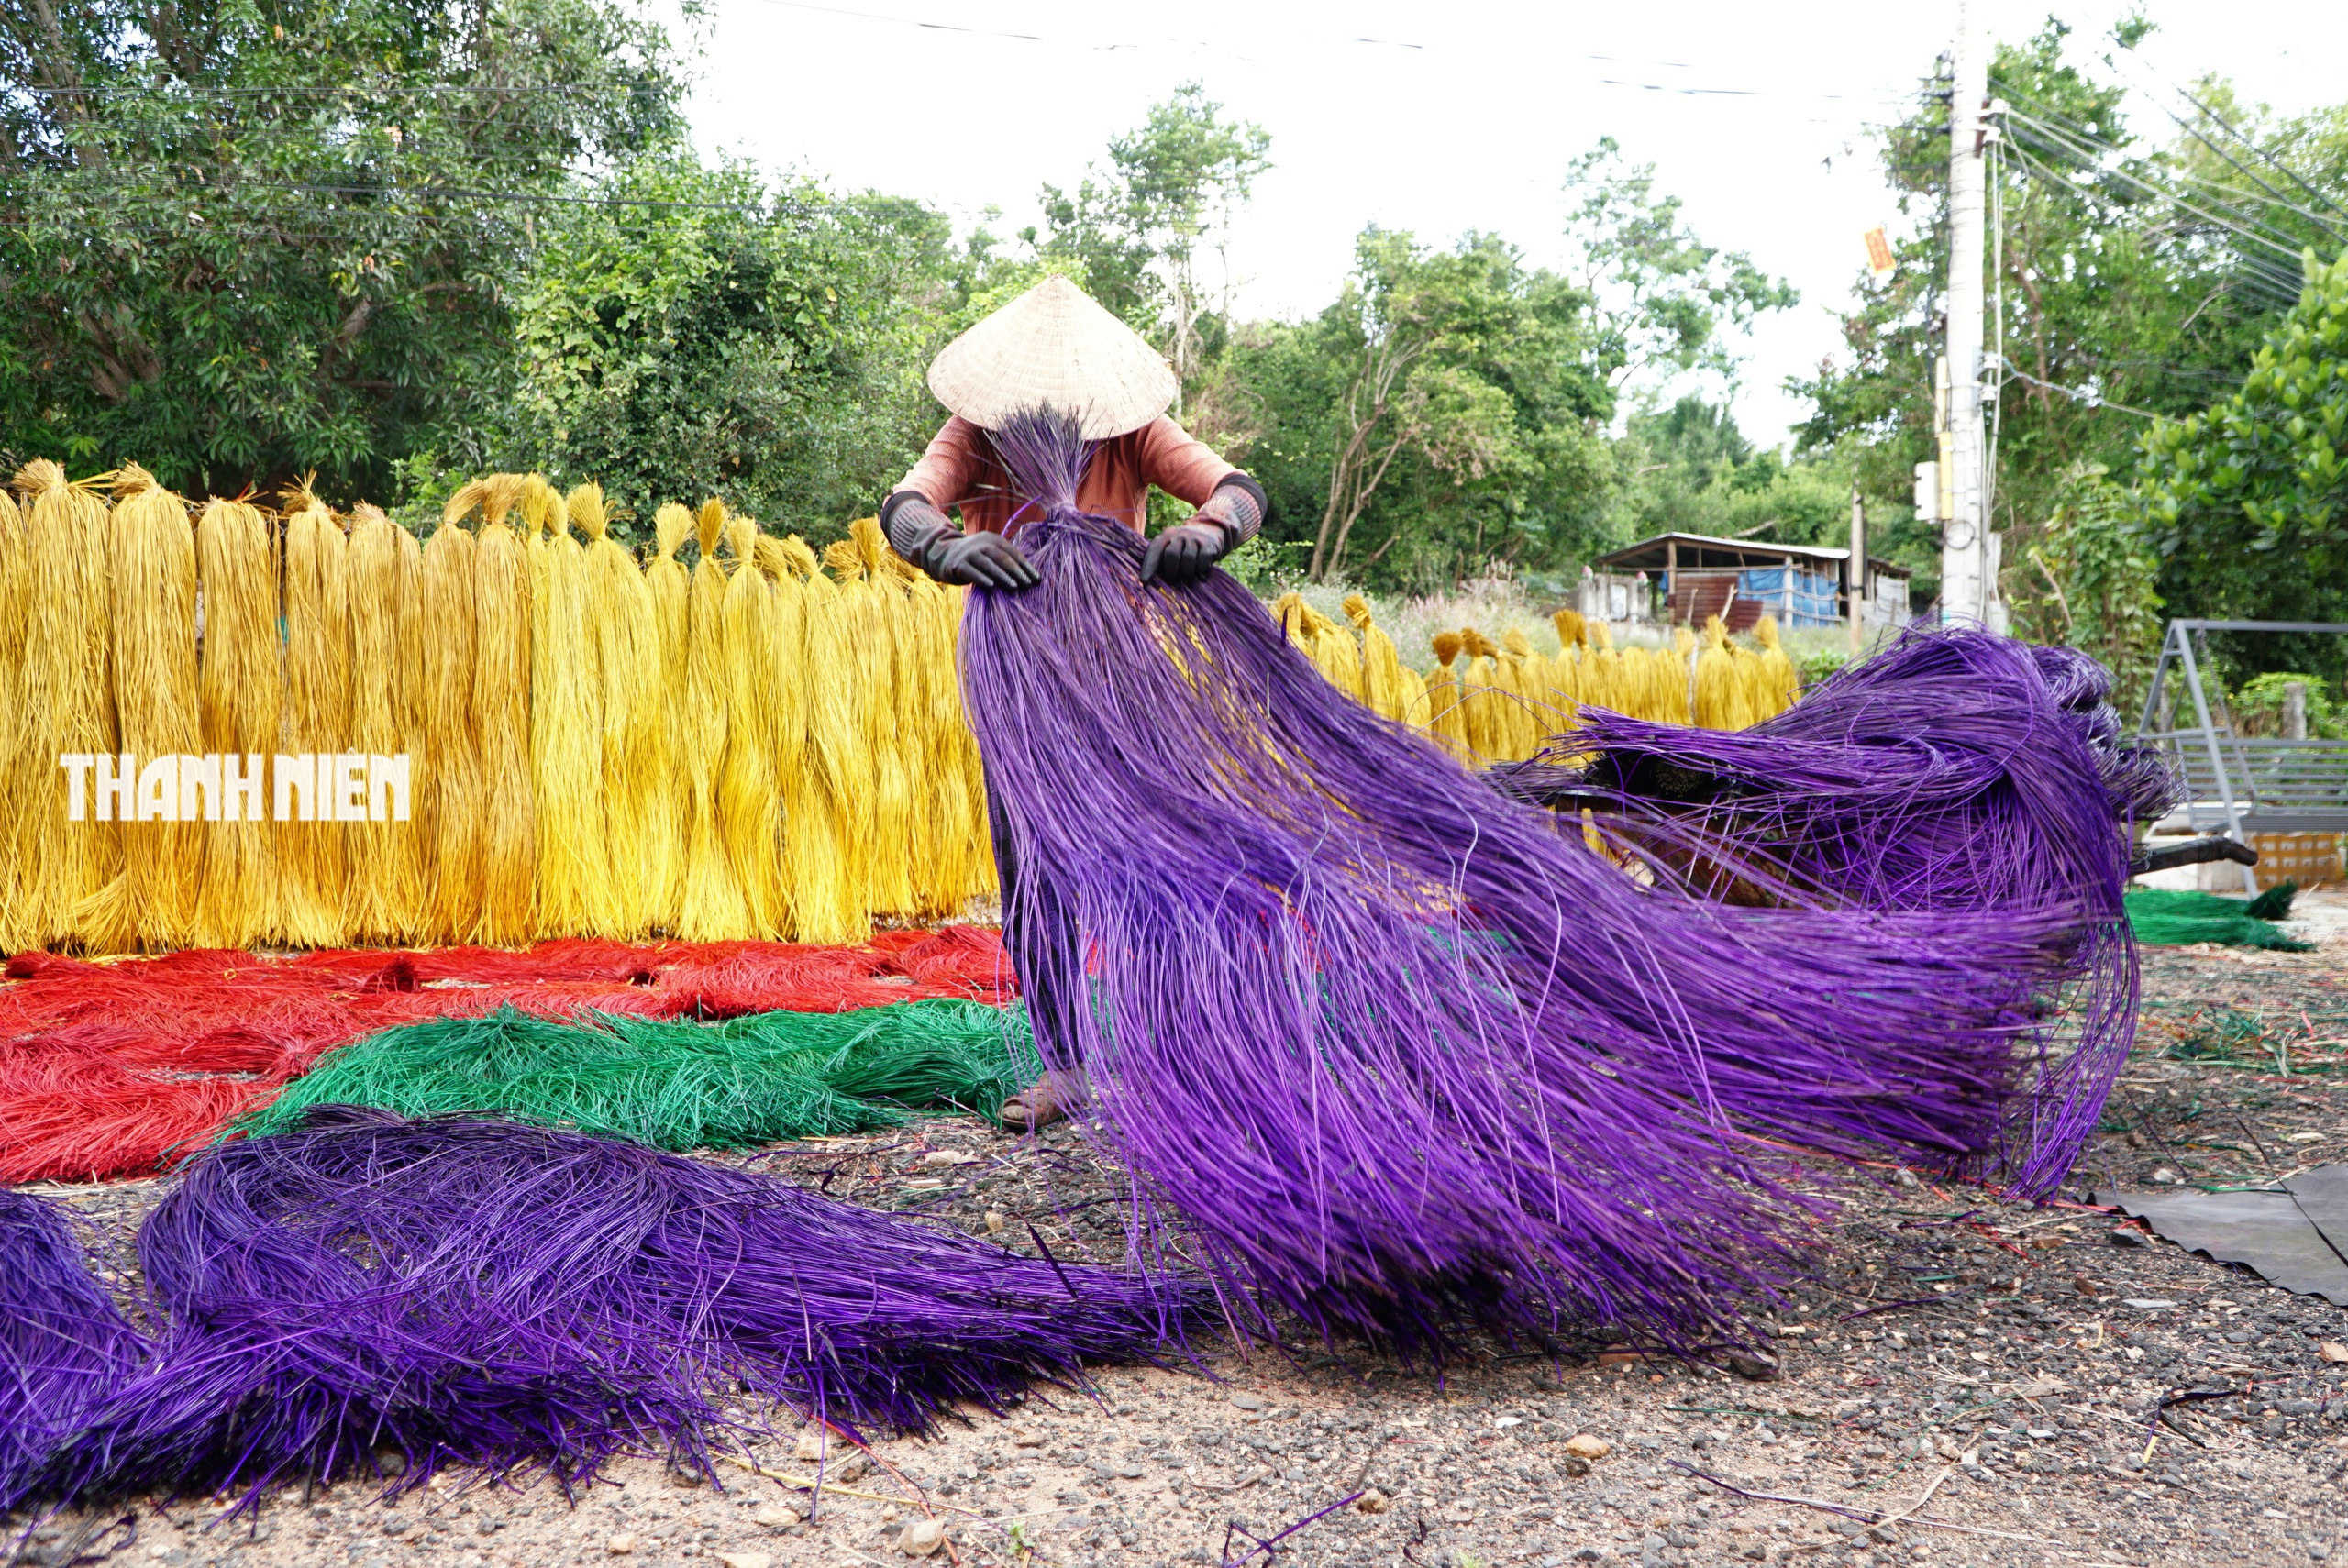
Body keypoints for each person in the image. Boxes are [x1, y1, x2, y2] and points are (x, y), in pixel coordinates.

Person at [880, 276, 1268, 1130]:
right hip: (1018, 675)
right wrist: (943, 546)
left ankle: (1179, 1046)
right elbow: (907, 502)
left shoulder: (1135, 431)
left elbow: (1237, 488)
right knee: (1032, 871)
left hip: (1122, 673)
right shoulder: (978, 432)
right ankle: (1068, 1063)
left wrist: (1209, 531)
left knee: (1159, 855)